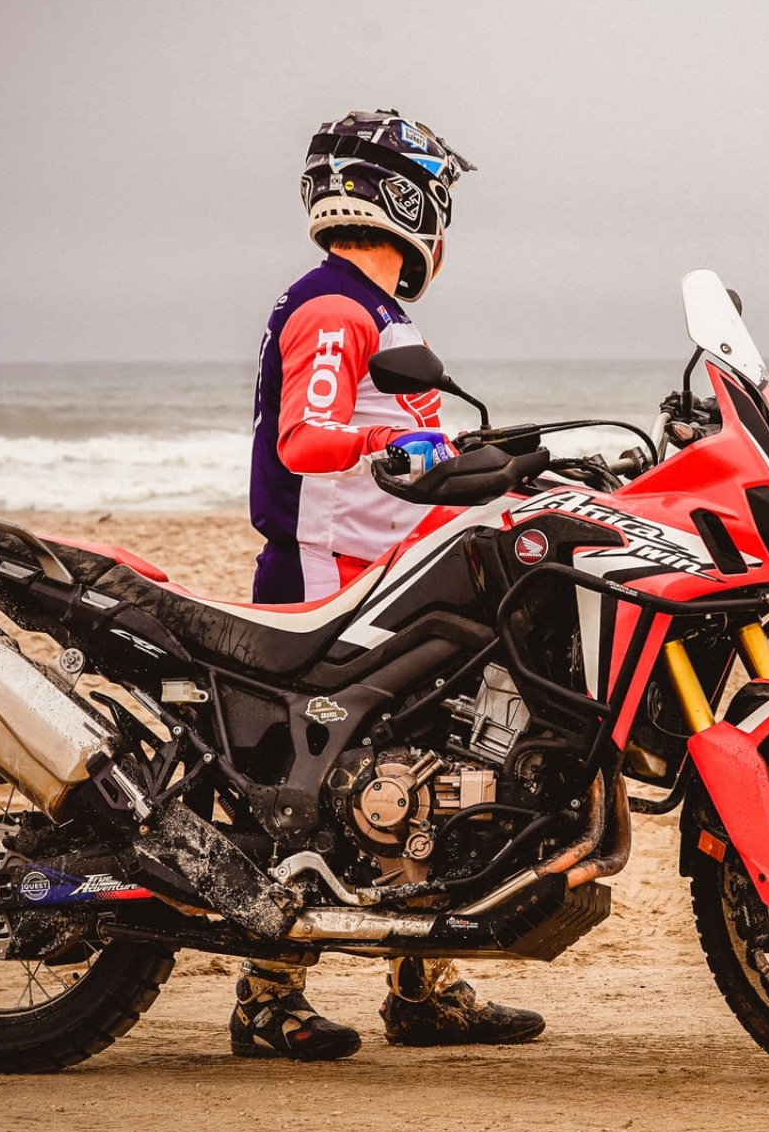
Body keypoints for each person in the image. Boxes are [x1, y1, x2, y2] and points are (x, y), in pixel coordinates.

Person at [232, 109, 542, 1061]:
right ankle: (267, 997)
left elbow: (410, 449)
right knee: (313, 784)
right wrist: (390, 441)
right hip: (328, 577)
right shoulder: (334, 307)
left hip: (386, 576)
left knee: (429, 761)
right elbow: (306, 440)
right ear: (409, 200)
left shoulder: (381, 314)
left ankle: (423, 981)